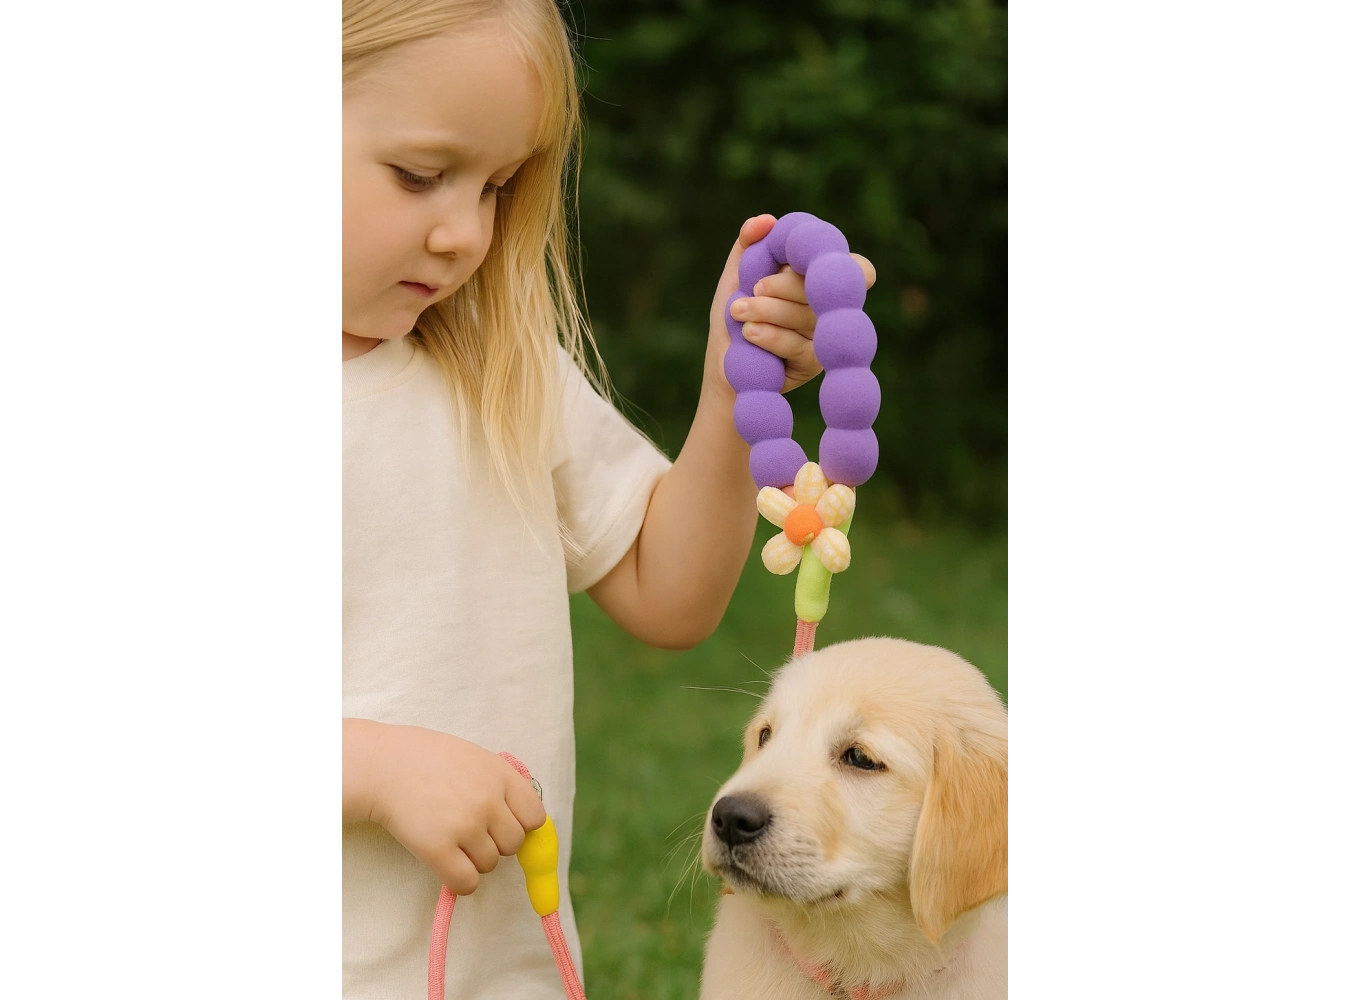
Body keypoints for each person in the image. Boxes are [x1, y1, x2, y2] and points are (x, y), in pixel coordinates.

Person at [338, 1, 876, 996]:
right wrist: (365, 766)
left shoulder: (500, 367)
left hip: (503, 971)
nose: (464, 233)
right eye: (420, 175)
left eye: (498, 186)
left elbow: (667, 593)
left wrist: (730, 382)